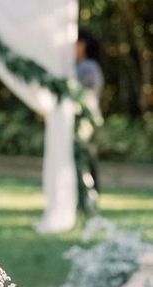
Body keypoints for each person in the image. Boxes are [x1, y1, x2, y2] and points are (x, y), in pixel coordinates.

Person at [76, 28, 104, 192]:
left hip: (86, 119)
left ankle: (89, 191)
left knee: (85, 157)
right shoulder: (86, 66)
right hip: (88, 118)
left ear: (83, 45)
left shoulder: (88, 67)